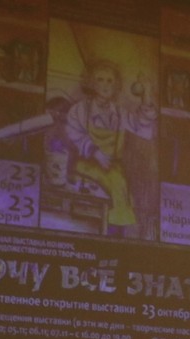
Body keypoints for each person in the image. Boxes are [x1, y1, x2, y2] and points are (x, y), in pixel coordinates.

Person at [64, 59, 157, 233]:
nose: (105, 85)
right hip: (86, 164)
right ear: (91, 82)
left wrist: (147, 93)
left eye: (110, 81)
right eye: (100, 79)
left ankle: (114, 235)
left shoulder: (119, 112)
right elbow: (73, 133)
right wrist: (95, 152)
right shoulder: (80, 110)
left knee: (123, 188)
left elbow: (142, 125)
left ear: (116, 85)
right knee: (116, 184)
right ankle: (111, 233)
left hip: (112, 167)